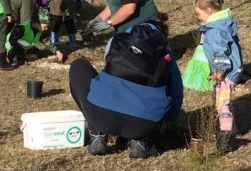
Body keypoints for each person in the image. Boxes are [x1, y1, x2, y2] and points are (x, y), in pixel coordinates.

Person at [69, 17, 182, 159]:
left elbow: (107, 70)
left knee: (78, 65)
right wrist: (171, 120)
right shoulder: (165, 52)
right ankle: (141, 142)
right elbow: (176, 88)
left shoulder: (118, 40)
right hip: (144, 124)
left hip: (101, 116)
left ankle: (97, 134)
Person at [193, 0, 244, 152]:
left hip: (226, 73)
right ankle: (230, 131)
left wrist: (219, 71)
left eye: (198, 13)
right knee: (223, 101)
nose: (197, 17)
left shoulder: (215, 31)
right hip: (230, 71)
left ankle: (225, 139)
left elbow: (220, 53)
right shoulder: (222, 24)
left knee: (223, 105)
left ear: (209, 11)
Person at [5, 0, 48, 66]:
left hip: (25, 48)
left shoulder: (38, 31)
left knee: (40, 53)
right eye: (45, 25)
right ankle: (21, 57)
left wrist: (57, 51)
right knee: (17, 58)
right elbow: (12, 40)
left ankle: (26, 56)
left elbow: (46, 41)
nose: (46, 28)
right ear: (38, 23)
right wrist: (22, 51)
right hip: (13, 47)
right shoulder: (24, 27)